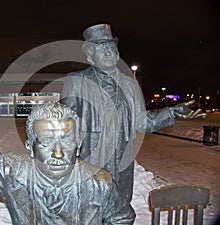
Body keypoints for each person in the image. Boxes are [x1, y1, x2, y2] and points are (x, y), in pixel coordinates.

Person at [0, 103, 135, 225]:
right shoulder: (11, 172)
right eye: (47, 142)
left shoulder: (100, 184)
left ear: (78, 145)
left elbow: (123, 218)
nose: (58, 153)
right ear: (30, 147)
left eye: (67, 141)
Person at [61, 23, 206, 203]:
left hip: (122, 167)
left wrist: (171, 112)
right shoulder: (77, 81)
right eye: (101, 48)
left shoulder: (130, 84)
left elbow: (143, 123)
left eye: (111, 48)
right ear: (90, 57)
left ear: (118, 54)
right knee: (90, 213)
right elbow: (64, 123)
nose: (108, 52)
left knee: (121, 214)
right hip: (91, 164)